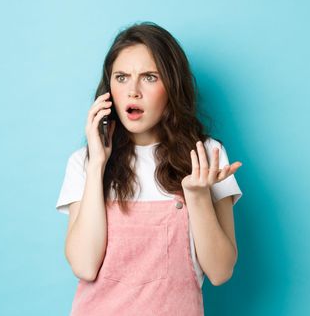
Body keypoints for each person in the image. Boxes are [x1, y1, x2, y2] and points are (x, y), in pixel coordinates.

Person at [56, 21, 243, 315]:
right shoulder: (84, 161)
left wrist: (196, 196)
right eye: (121, 77)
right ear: (109, 91)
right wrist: (97, 165)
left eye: (149, 77)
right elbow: (84, 265)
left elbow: (221, 271)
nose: (133, 91)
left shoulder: (206, 155)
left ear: (172, 86)